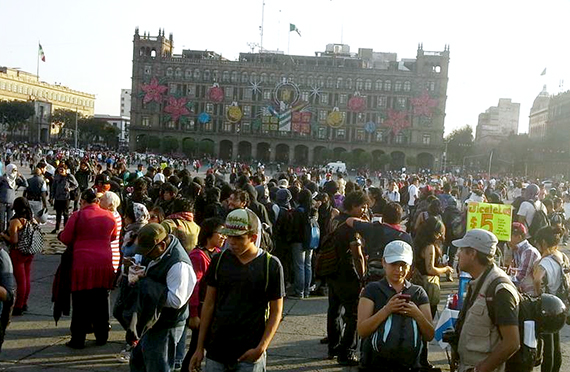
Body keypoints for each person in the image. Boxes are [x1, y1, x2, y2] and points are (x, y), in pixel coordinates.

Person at [189, 208, 285, 372]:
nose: (231, 241)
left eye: (239, 238)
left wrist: (261, 348)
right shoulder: (219, 260)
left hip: (250, 353)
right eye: (229, 236)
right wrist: (199, 347)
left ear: (253, 237)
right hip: (217, 351)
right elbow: (209, 305)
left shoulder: (271, 266)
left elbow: (276, 312)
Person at [357, 241, 434, 372]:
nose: (399, 270)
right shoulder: (372, 290)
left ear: (410, 266)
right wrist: (387, 310)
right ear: (384, 263)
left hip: (410, 366)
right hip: (375, 365)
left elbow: (430, 335)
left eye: (403, 265)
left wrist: (417, 314)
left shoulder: (418, 292)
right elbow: (362, 330)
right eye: (394, 264)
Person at [129, 223, 196, 372]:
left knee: (158, 366)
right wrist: (136, 268)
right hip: (153, 320)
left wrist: (145, 282)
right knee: (138, 361)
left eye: (148, 252)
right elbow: (143, 260)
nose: (145, 255)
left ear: (162, 245)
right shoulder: (158, 253)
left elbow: (176, 300)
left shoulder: (179, 265)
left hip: (168, 324)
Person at [452, 229, 520, 372]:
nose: (458, 255)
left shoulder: (500, 290)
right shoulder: (479, 281)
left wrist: (480, 370)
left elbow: (511, 342)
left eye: (462, 250)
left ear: (472, 254)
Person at [58, 189, 117, 349]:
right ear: (97, 201)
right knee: (101, 301)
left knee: (80, 303)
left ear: (83, 201)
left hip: (82, 263)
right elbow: (113, 237)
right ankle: (102, 336)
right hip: (104, 262)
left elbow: (66, 238)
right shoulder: (109, 216)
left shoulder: (78, 215)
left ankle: (78, 339)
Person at [326, 191, 369, 366]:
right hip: (347, 273)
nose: (364, 209)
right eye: (362, 206)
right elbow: (357, 255)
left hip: (332, 270)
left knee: (334, 310)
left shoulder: (336, 219)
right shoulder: (352, 227)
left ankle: (333, 346)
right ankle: (346, 352)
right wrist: (363, 275)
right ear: (352, 206)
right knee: (353, 314)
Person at [181, 218, 226, 372]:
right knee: (197, 345)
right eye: (220, 233)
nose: (224, 237)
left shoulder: (219, 253)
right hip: (201, 308)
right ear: (208, 234)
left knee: (199, 345)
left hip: (214, 307)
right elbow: (194, 286)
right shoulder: (198, 256)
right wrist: (193, 314)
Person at [532, 225, 567, 372]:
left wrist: (538, 293)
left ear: (544, 243)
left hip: (548, 303)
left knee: (547, 341)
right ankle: (555, 369)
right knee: (556, 339)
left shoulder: (545, 261)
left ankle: (547, 369)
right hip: (561, 303)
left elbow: (537, 279)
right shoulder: (562, 256)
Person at [0, 197, 36, 316]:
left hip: (18, 253)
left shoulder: (15, 221)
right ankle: (24, 303)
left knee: (21, 281)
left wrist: (3, 236)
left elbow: (14, 240)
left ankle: (18, 306)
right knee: (27, 278)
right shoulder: (31, 220)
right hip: (29, 252)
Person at [289, 189, 316, 299]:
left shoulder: (298, 211)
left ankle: (299, 291)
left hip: (298, 241)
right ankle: (306, 290)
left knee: (299, 266)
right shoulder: (313, 211)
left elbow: (294, 227)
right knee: (308, 265)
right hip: (310, 240)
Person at [507, 222, 540, 295]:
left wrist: (503, 278)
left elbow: (521, 276)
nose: (507, 240)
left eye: (509, 236)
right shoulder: (516, 250)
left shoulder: (529, 251)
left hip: (531, 293)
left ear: (519, 237)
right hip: (522, 290)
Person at [50, 164, 78, 234]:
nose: (61, 171)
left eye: (63, 169)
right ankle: (57, 228)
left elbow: (76, 185)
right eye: (60, 169)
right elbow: (53, 188)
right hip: (57, 197)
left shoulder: (69, 176)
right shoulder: (56, 177)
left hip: (66, 197)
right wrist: (51, 197)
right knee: (58, 213)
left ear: (66, 170)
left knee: (65, 214)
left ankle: (66, 228)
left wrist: (70, 189)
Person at [0, 164, 28, 232]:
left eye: (15, 170)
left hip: (12, 203)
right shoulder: (3, 179)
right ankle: (1, 234)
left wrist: (21, 176)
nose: (14, 172)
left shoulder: (15, 180)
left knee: (10, 220)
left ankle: (8, 234)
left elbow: (26, 184)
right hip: (2, 203)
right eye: (13, 170)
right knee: (1, 221)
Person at [99, 191, 122, 273]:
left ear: (110, 205)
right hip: (111, 252)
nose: (99, 202)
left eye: (102, 200)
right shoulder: (116, 214)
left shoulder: (109, 218)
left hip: (110, 254)